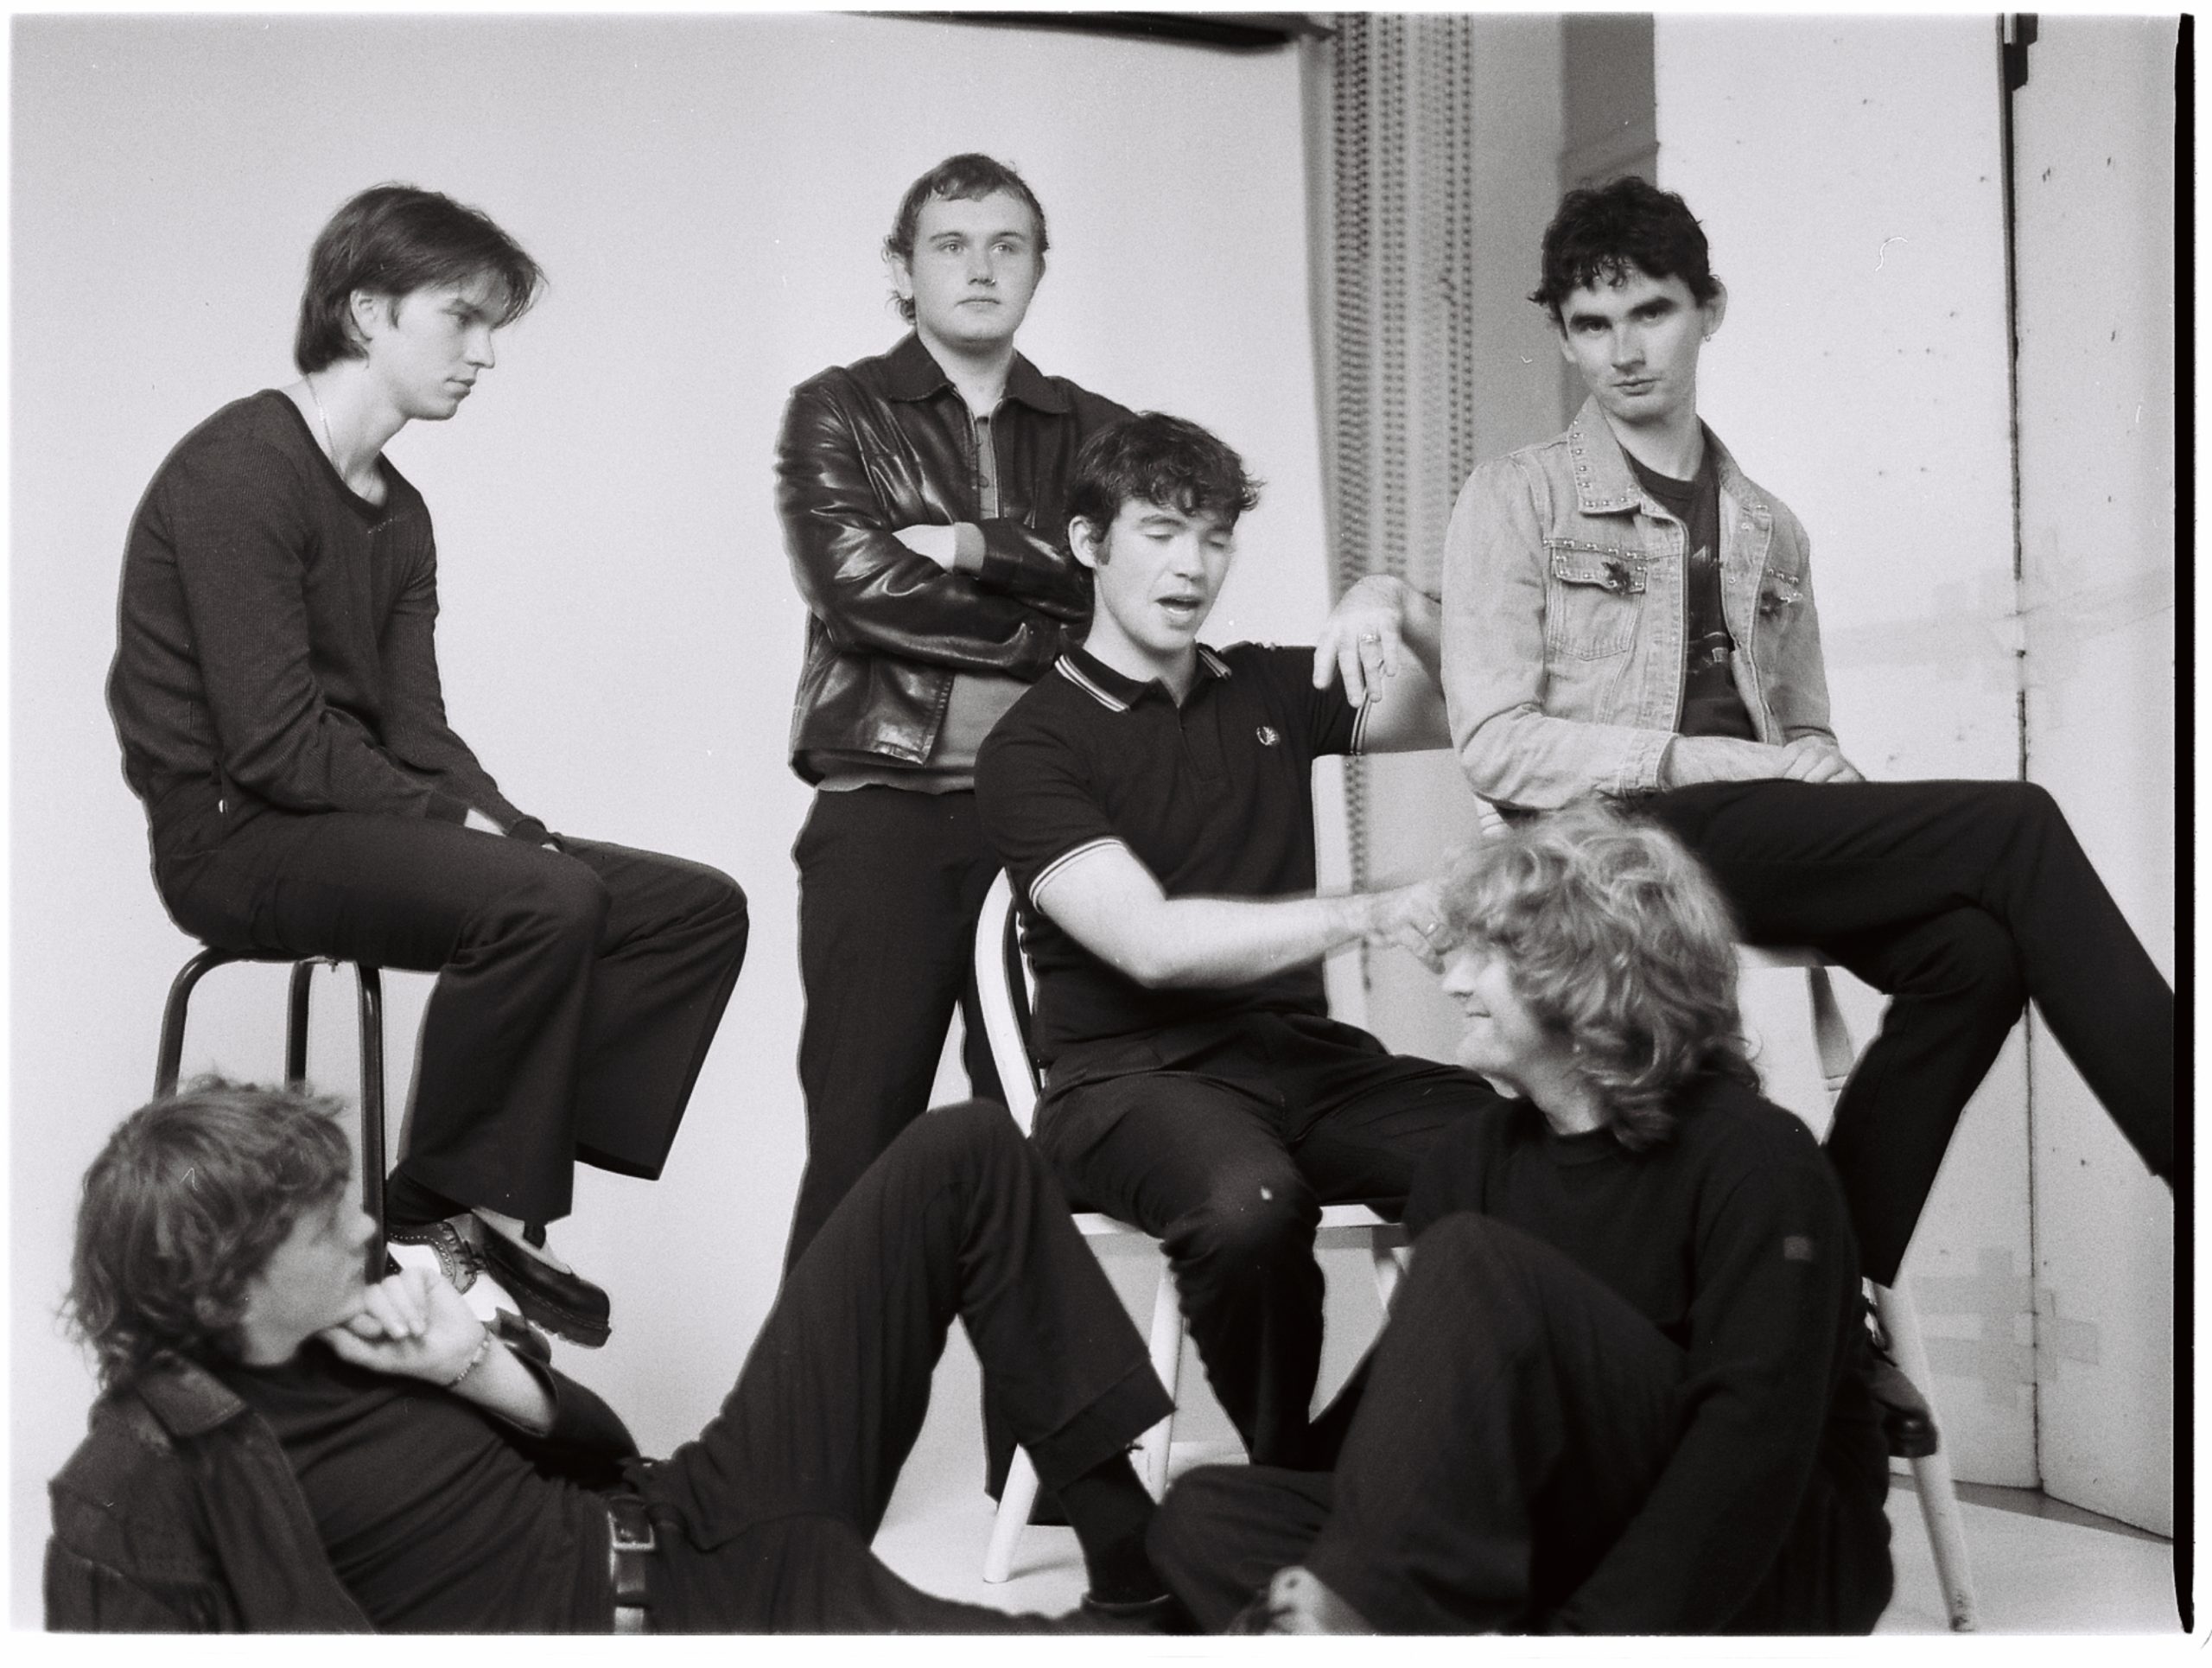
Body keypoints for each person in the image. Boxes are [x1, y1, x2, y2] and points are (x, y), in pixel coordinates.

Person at [1440, 175, 2173, 1289]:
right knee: (2016, 825)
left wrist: (1819, 762)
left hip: (1748, 833)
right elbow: (1495, 744)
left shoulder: (1769, 529)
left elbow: (1800, 726)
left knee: (1972, 955)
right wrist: (1719, 759)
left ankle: (1820, 1289)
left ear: (1709, 309)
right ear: (1564, 335)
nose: (1622, 352)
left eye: (1651, 312)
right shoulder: (1516, 497)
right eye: (1591, 325)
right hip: (1608, 851)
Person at [105, 184, 750, 1348]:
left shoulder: (399, 514)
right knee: (540, 897)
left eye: (493, 325)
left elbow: (417, 730)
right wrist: (461, 832)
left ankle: (493, 1196)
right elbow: (273, 742)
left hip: (345, 818)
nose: (486, 354)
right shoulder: (240, 470)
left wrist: (508, 823)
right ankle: (437, 1210)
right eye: (463, 318)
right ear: (368, 312)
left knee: (690, 911)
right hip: (234, 837)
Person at [46, 1079, 1174, 1633]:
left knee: (961, 1150)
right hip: (680, 1632)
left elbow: (608, 1451)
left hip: (694, 1508)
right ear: (222, 1284)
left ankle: (1137, 1577)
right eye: (321, 1221)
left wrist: (472, 1361)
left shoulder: (366, 1314)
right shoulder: (147, 1475)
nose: (363, 1225)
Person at [1147, 804, 1895, 1634]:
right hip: (1571, 1529)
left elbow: (1751, 1447)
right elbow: (1415, 1418)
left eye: (1488, 956)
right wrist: (1302, 1518)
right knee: (1210, 1516)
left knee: (1475, 1266)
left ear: (1588, 977)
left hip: (1776, 1557)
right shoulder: (1472, 1159)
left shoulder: (1757, 1157)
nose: (1454, 981)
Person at [975, 411, 1505, 1471]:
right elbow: (1153, 946)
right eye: (1162, 531)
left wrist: (1395, 601)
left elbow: (1485, 711)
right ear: (1089, 542)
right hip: (1126, 1081)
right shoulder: (1032, 743)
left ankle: (1361, 1459)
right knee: (1247, 1207)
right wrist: (1372, 909)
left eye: (1215, 537)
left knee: (1521, 1155)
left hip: (1299, 1063)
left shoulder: (1265, 686)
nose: (1193, 566)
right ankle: (1284, 1480)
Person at [776, 153, 1129, 1270]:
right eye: (951, 245)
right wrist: (1039, 627)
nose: (982, 268)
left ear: (1038, 267)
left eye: (1007, 245)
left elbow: (1125, 590)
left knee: (1037, 1151)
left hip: (1049, 821)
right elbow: (856, 587)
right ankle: (817, 1398)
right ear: (902, 269)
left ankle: (1036, 1402)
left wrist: (971, 545)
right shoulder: (838, 408)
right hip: (884, 815)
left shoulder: (1100, 430)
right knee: (857, 1154)